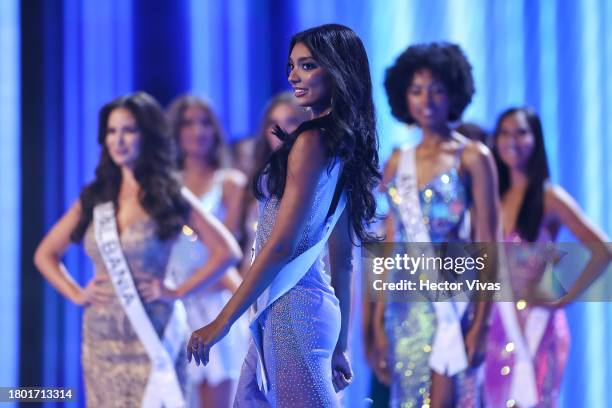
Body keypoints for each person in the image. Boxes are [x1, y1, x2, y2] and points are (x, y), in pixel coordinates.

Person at [187, 23, 381, 407]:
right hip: (307, 311)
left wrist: (221, 323)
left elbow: (280, 246)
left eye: (307, 65)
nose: (293, 75)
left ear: (337, 69)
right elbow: (342, 260)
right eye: (292, 65)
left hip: (291, 312)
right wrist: (340, 344)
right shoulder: (341, 143)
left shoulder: (311, 141)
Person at [33, 92, 241, 407]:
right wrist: (77, 294)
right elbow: (45, 254)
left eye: (129, 130)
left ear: (147, 135)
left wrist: (177, 290)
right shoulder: (95, 197)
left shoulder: (168, 194)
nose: (119, 140)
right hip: (102, 341)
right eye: (112, 131)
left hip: (155, 335)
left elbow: (227, 252)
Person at [372, 42, 500, 407]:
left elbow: (489, 245)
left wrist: (482, 322)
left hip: (452, 299)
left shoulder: (474, 157)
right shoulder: (398, 160)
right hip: (402, 302)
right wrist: (378, 317)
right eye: (415, 90)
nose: (426, 99)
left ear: (454, 93)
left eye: (436, 89)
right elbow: (391, 241)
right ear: (403, 97)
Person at [484, 107, 611, 407]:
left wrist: (563, 299)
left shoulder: (549, 197)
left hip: (539, 326)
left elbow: (603, 249)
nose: (511, 140)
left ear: (536, 139)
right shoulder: (491, 196)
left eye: (521, 132)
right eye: (504, 132)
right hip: (497, 327)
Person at [165, 94, 249, 407]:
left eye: (204, 123)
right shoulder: (162, 185)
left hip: (215, 303)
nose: (197, 131)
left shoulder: (230, 183)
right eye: (188, 123)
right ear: (175, 131)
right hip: (174, 303)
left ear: (215, 131)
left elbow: (230, 248)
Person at [238, 92, 309, 273]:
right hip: (260, 291)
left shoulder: (322, 180)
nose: (280, 130)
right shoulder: (261, 183)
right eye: (273, 123)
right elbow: (250, 253)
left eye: (291, 121)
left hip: (308, 288)